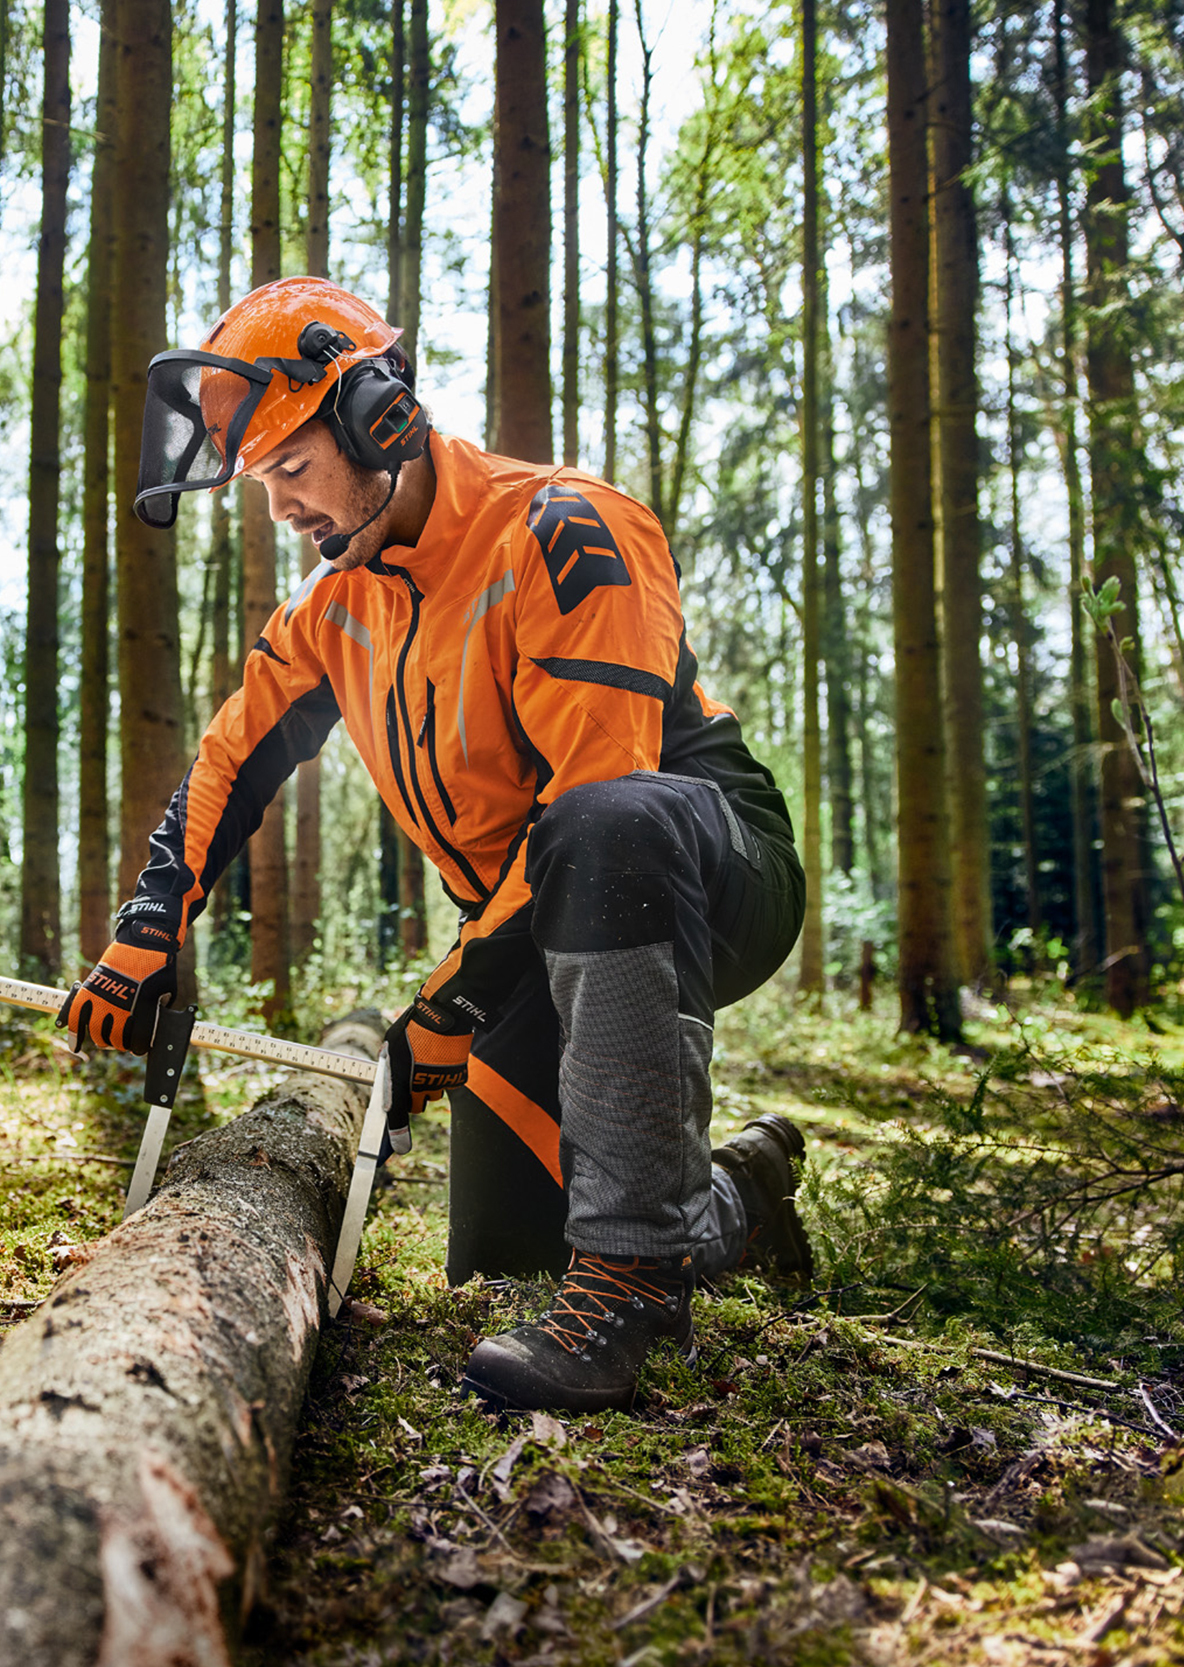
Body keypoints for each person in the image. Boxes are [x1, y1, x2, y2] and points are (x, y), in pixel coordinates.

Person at [59, 276, 812, 1414]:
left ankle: (633, 1290)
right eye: (262, 483)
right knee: (509, 1257)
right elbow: (229, 762)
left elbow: (597, 788)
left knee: (604, 822)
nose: (282, 509)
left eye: (292, 468)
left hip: (698, 866)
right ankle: (735, 1199)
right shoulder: (332, 609)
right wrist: (146, 928)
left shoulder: (564, 528)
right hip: (524, 928)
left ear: (380, 416)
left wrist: (452, 1003)